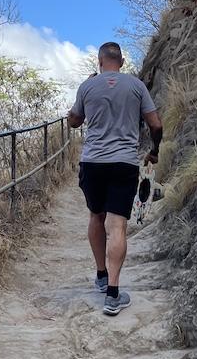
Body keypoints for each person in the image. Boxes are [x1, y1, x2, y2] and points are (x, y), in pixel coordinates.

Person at [68, 42, 162, 316]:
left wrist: (83, 94)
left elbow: (73, 121)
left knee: (95, 216)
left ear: (99, 61)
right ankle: (112, 294)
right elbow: (155, 124)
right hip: (124, 162)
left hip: (92, 162)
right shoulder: (136, 85)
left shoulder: (88, 86)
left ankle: (100, 275)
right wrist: (154, 152)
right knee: (117, 225)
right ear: (121, 62)